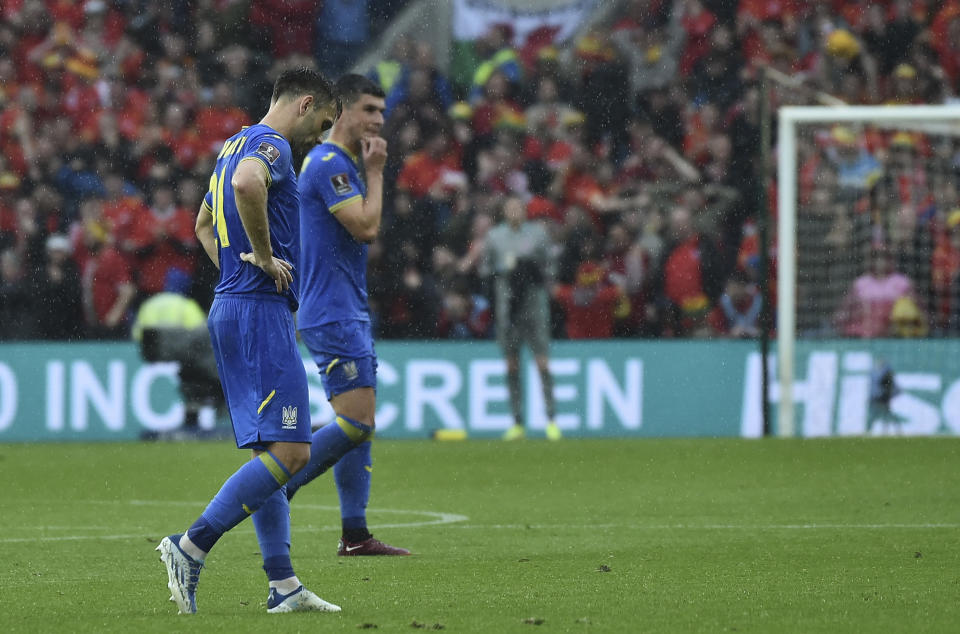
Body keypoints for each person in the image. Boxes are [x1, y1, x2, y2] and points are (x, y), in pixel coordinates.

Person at [156, 67, 341, 615]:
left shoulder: (232, 144)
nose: (322, 136)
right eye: (324, 122)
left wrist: (234, 275)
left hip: (233, 306)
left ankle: (282, 585)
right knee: (291, 450)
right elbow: (245, 187)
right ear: (305, 105)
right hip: (258, 313)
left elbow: (203, 225)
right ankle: (191, 546)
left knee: (270, 451)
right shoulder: (272, 145)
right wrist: (261, 259)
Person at [287, 73, 410, 556]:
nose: (379, 120)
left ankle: (355, 534)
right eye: (369, 110)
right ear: (342, 111)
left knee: (359, 425)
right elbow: (364, 227)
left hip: (344, 309)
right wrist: (377, 172)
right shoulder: (329, 164)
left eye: (382, 112)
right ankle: (280, 482)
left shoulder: (336, 162)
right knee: (356, 422)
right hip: (332, 311)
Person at [482, 195, 561, 441]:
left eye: (519, 208)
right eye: (510, 208)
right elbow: (485, 270)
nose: (515, 212)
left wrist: (532, 270)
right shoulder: (495, 237)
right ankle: (517, 421)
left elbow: (551, 267)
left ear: (525, 211)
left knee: (542, 363)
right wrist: (506, 269)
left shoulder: (538, 234)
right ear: (504, 212)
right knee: (511, 365)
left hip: (534, 306)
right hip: (508, 308)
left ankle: (551, 419)